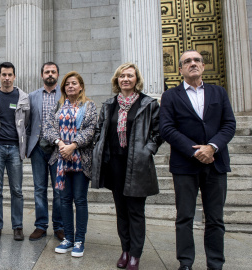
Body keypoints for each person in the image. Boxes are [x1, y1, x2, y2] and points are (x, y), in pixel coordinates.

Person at [160, 50, 236, 270]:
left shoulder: (219, 92)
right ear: (181, 69)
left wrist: (211, 147)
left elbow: (229, 124)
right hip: (185, 165)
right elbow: (167, 128)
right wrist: (195, 151)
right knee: (184, 217)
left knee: (215, 218)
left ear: (203, 66)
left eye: (196, 61)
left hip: (216, 162)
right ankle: (185, 262)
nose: (192, 64)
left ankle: (215, 263)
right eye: (187, 62)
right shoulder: (170, 96)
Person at [91, 63, 162, 270]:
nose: (125, 79)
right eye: (122, 76)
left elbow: (158, 132)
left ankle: (135, 255)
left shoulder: (148, 104)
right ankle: (125, 249)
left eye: (130, 76)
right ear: (117, 80)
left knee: (136, 212)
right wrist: (98, 147)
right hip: (115, 165)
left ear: (136, 79)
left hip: (138, 165)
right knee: (121, 211)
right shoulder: (109, 104)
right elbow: (99, 129)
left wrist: (147, 149)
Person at [43, 71, 97, 257]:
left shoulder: (89, 106)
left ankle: (79, 240)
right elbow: (47, 128)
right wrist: (60, 144)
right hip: (60, 160)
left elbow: (91, 130)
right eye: (67, 84)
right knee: (64, 200)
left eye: (74, 83)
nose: (70, 86)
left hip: (81, 160)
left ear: (81, 86)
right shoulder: (58, 106)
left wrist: (73, 146)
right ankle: (68, 238)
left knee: (80, 200)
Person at [0, 62, 30, 241]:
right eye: (3, 75)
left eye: (9, 75)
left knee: (17, 190)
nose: (6, 78)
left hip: (14, 148)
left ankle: (17, 226)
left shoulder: (23, 97)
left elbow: (27, 123)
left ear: (14, 76)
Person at [27, 62, 64, 241]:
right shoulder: (32, 96)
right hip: (37, 149)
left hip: (58, 149)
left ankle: (59, 226)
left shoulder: (65, 95)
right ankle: (41, 226)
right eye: (47, 72)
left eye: (53, 72)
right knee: (39, 189)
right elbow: (27, 122)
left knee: (58, 189)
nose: (50, 74)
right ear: (42, 75)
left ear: (58, 74)